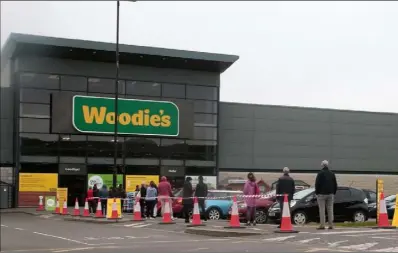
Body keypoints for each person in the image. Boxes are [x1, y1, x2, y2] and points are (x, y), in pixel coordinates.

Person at [315, 160, 338, 230]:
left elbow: (317, 184)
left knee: (322, 209)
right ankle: (331, 225)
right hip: (330, 194)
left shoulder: (320, 173)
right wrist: (333, 192)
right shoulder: (332, 173)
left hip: (321, 194)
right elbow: (335, 184)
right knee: (330, 209)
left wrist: (317, 193)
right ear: (327, 165)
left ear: (322, 165)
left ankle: (322, 225)